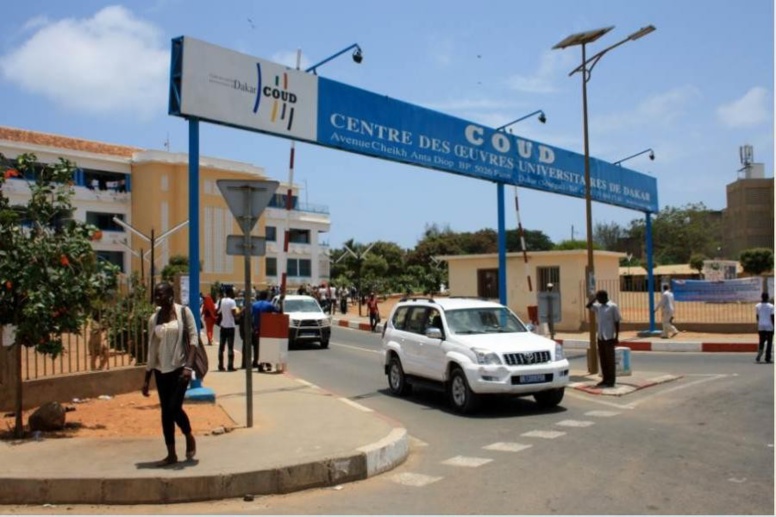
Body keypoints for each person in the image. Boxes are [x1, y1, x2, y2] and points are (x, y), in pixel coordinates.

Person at [141, 281, 200, 465]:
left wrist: (188, 367)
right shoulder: (154, 318)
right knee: (165, 413)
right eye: (155, 294)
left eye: (160, 294)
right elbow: (152, 349)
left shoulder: (183, 312)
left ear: (169, 295)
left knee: (174, 407)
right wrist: (146, 377)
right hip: (160, 371)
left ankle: (188, 435)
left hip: (180, 369)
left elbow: (193, 339)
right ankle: (171, 453)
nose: (156, 298)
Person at [586, 289, 621, 388]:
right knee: (603, 360)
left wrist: (616, 337)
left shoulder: (613, 306)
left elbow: (617, 321)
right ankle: (605, 379)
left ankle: (611, 380)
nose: (598, 300)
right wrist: (594, 299)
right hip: (600, 337)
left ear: (604, 297)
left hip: (609, 337)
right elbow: (588, 306)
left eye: (599, 298)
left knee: (610, 360)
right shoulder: (599, 307)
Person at [249, 290, 279, 371]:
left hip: (256, 329)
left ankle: (260, 362)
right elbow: (278, 312)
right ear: (267, 296)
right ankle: (263, 363)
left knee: (258, 347)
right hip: (266, 329)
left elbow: (250, 316)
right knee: (266, 346)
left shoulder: (254, 305)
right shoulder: (269, 305)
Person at [217, 286, 238, 372]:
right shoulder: (232, 301)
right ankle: (230, 366)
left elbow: (218, 311)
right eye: (233, 292)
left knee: (221, 347)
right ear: (230, 292)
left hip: (223, 326)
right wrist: (242, 311)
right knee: (230, 347)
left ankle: (220, 365)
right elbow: (234, 315)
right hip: (230, 326)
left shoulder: (222, 301)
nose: (234, 293)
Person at [755, 292, 774, 363]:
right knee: (769, 342)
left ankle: (760, 351)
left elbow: (757, 316)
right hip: (769, 326)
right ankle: (767, 357)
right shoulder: (771, 306)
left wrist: (759, 323)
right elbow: (772, 317)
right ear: (768, 297)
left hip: (761, 326)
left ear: (761, 297)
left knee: (761, 341)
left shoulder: (757, 306)